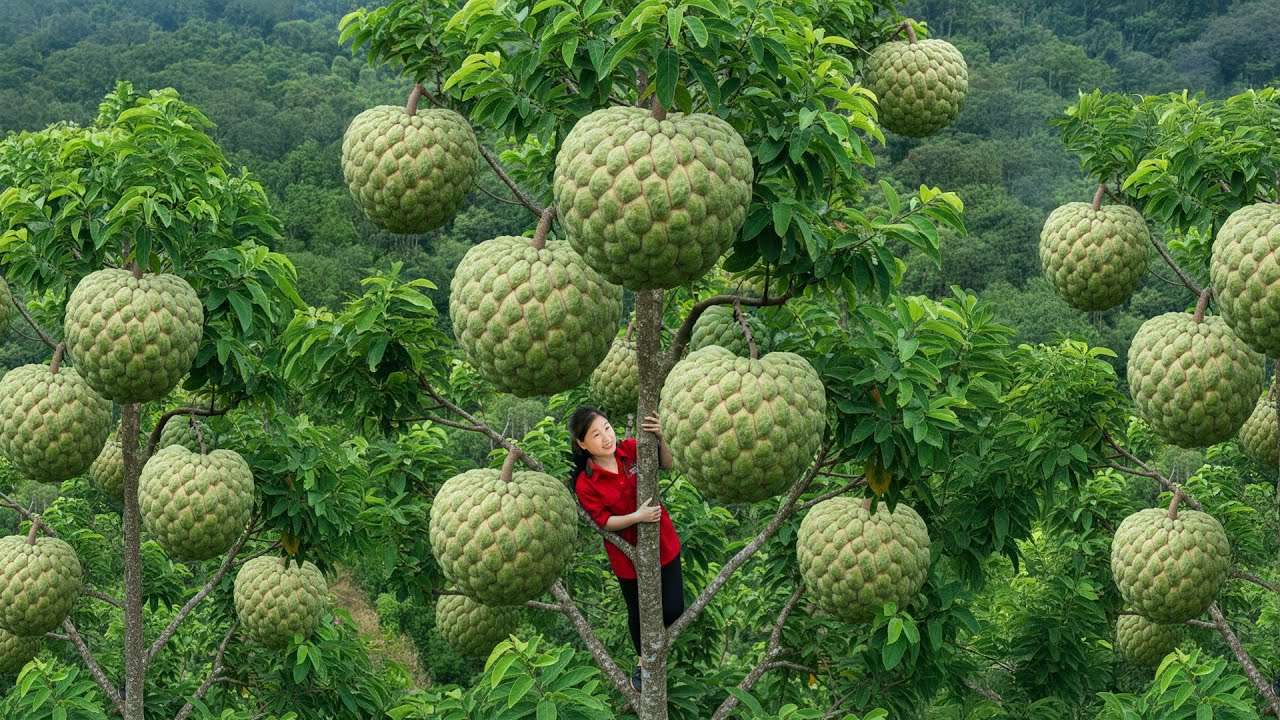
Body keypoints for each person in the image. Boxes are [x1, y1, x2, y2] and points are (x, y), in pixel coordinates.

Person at [568, 405, 684, 693]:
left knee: (674, 608)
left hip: (663, 542)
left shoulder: (632, 449)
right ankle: (643, 663)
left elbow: (666, 464)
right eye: (596, 434)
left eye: (607, 427)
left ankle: (659, 651)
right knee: (639, 612)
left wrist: (662, 436)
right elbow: (604, 521)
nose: (606, 437)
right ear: (582, 444)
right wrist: (637, 517)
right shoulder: (586, 482)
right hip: (626, 556)